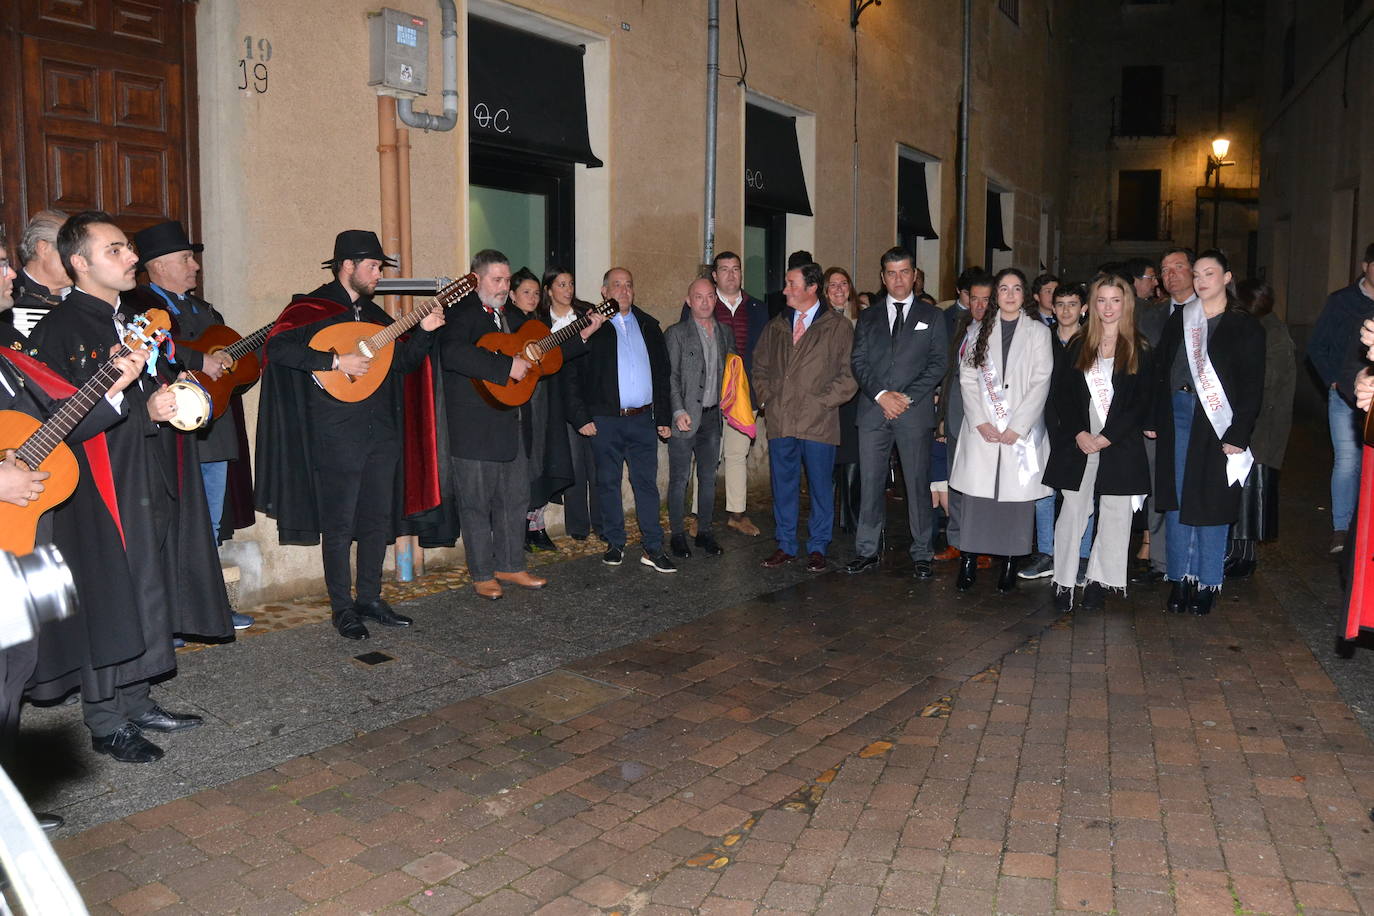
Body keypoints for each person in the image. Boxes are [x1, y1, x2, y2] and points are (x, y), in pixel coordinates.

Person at [28, 210, 231, 763]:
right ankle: (105, 719)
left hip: (149, 471)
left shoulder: (132, 318)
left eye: (127, 249)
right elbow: (59, 421)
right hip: (102, 488)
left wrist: (173, 394)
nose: (131, 257)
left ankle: (137, 699)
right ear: (79, 263)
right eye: (115, 250)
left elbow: (144, 386)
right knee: (111, 598)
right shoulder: (59, 330)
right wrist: (145, 406)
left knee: (149, 587)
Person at [0, 232, 144, 820]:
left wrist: (110, 388)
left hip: (18, 537)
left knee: (16, 666)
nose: (12, 275)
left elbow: (42, 426)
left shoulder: (7, 350)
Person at [257, 229, 444, 635]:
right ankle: (342, 607)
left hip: (382, 434)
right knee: (339, 526)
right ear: (348, 265)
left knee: (378, 521)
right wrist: (333, 361)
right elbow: (277, 349)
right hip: (335, 434)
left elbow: (403, 364)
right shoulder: (310, 308)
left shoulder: (377, 319)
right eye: (373, 266)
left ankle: (371, 598)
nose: (379, 273)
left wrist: (426, 330)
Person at [441, 251, 603, 599]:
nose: (503, 286)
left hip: (511, 425)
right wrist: (503, 368)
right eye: (496, 280)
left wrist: (583, 336)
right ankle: (483, 573)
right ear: (476, 279)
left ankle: (511, 564)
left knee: (515, 499)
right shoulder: (462, 314)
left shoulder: (508, 318)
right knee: (476, 504)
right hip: (473, 428)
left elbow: (542, 355)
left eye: (506, 279)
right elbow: (452, 354)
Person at [126, 220, 254, 629]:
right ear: (159, 264)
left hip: (213, 433)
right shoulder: (137, 303)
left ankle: (208, 606)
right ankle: (167, 618)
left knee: (211, 522)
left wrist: (234, 364)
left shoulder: (205, 310)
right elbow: (149, 345)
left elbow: (233, 367)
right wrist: (199, 360)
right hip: (167, 431)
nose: (195, 266)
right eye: (185, 258)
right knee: (169, 521)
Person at [1149, 249, 1264, 616]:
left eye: (1209, 274)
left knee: (1212, 502)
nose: (1200, 280)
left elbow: (1251, 386)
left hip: (1218, 422)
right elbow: (1160, 370)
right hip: (1178, 415)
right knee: (1180, 499)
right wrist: (1153, 416)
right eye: (1196, 274)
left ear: (1227, 278)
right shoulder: (1182, 318)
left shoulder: (1244, 325)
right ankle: (1180, 577)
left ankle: (1208, 579)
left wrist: (1239, 432)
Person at [1042, 274, 1151, 611]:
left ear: (1126, 304)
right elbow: (1063, 395)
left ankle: (1099, 582)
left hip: (1119, 441)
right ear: (1093, 304)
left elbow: (1140, 403)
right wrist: (1079, 433)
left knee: (1116, 513)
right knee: (1073, 509)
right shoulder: (1078, 344)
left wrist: (1108, 436)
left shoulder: (1140, 348)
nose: (1107, 307)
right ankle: (1062, 581)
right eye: (1101, 300)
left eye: (1114, 300)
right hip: (1081, 440)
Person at [563, 267, 675, 572]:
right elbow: (570, 374)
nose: (623, 291)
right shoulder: (588, 326)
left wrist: (663, 416)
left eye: (628, 285)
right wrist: (580, 417)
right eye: (617, 285)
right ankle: (615, 542)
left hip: (643, 420)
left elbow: (662, 376)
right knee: (608, 483)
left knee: (646, 484)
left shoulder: (648, 325)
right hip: (606, 420)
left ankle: (653, 547)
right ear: (603, 291)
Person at [948, 267, 1053, 592]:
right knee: (977, 500)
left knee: (1015, 501)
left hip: (1019, 433)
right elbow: (966, 377)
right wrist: (980, 419)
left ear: (1024, 295)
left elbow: (1041, 381)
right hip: (983, 430)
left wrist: (1018, 426)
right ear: (996, 295)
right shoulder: (977, 330)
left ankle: (1010, 562)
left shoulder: (1038, 333)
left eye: (1016, 289)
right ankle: (968, 561)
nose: (1009, 295)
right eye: (1003, 289)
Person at [846, 247, 947, 578]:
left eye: (904, 272)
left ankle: (921, 552)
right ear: (882, 277)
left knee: (917, 485)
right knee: (871, 483)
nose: (898, 279)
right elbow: (858, 361)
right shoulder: (869, 316)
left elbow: (938, 364)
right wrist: (880, 395)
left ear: (914, 275)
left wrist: (906, 398)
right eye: (891, 273)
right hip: (874, 412)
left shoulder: (932, 317)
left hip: (912, 412)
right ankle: (867, 550)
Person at [753, 262, 858, 571]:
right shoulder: (777, 325)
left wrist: (823, 402)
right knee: (782, 485)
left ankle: (818, 546)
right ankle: (785, 544)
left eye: (791, 284)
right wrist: (768, 398)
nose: (785, 290)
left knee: (820, 487)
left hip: (819, 422)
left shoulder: (837, 327)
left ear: (811, 288)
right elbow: (759, 367)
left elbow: (849, 374)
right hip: (782, 419)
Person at [1131, 247, 1197, 584]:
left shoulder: (1211, 313)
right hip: (1160, 415)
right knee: (1159, 485)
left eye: (1178, 267)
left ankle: (1193, 560)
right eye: (1164, 269)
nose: (1170, 274)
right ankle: (1160, 560)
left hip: (1201, 414)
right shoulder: (1151, 316)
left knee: (1194, 485)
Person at [1225, 279, 1295, 578]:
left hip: (1262, 426)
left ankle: (1244, 555)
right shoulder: (1265, 327)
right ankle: (1240, 553)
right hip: (1258, 423)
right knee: (1245, 490)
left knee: (1251, 491)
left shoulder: (1270, 332)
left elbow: (1267, 382)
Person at [1019, 281, 1088, 581]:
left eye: (1072, 304)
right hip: (1045, 425)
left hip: (1083, 428)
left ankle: (1082, 556)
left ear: (1084, 309)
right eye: (1060, 304)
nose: (1066, 310)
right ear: (1052, 307)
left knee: (1083, 494)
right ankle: (1046, 552)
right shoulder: (1042, 339)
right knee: (1044, 491)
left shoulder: (1094, 342)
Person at [1308, 242, 1374, 555]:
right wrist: (1334, 381)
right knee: (1348, 462)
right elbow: (1317, 346)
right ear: (1365, 266)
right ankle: (1341, 529)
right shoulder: (1342, 302)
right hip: (1345, 396)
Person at [665, 277, 736, 559]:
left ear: (715, 300)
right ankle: (677, 535)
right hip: (685, 417)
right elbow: (670, 376)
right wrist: (677, 410)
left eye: (709, 296)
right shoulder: (676, 333)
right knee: (680, 479)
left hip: (712, 418)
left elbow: (732, 373)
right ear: (688, 300)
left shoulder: (725, 333)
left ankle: (705, 531)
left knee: (708, 478)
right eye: (699, 297)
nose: (705, 302)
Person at [700, 251, 768, 537]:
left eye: (736, 269)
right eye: (724, 269)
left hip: (744, 394)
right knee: (705, 456)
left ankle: (737, 514)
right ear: (714, 275)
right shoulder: (702, 303)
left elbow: (765, 353)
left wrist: (763, 391)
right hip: (709, 395)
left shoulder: (757, 308)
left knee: (738, 454)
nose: (731, 274)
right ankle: (697, 515)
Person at [539, 268, 603, 543]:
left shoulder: (586, 314)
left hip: (590, 394)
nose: (568, 289)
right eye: (561, 284)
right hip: (557, 399)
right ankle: (578, 526)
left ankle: (602, 522)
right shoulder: (540, 321)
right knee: (574, 465)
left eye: (571, 284)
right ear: (549, 290)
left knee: (598, 465)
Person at [936, 272, 993, 561]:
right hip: (957, 413)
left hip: (986, 418)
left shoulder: (1000, 333)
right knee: (956, 479)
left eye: (986, 299)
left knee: (981, 483)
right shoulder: (961, 327)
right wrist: (943, 416)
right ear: (966, 299)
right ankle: (956, 540)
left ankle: (982, 544)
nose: (980, 305)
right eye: (975, 298)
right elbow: (950, 374)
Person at [505, 267, 561, 553]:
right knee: (521, 460)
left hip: (540, 399)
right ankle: (517, 529)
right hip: (517, 400)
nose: (532, 297)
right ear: (512, 295)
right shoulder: (505, 322)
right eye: (525, 292)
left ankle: (535, 524)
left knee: (540, 457)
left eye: (536, 293)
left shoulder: (540, 325)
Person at [823, 266, 862, 531]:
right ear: (825, 291)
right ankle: (827, 517)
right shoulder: (820, 320)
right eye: (833, 285)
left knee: (852, 458)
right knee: (828, 461)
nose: (839, 289)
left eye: (843, 284)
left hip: (856, 400)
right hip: (829, 398)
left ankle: (850, 519)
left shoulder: (863, 320)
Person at [5, 209, 69, 339]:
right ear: (43, 248)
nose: (78, 260)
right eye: (70, 250)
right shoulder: (8, 293)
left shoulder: (86, 294)